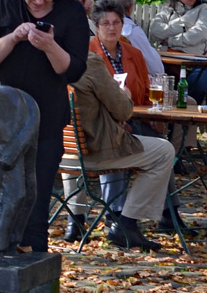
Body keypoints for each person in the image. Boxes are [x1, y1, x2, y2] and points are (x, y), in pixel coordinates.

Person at [0, 0, 89, 252]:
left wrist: (50, 46)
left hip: (44, 123)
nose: (39, 0)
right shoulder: (5, 3)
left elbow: (73, 70)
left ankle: (32, 271)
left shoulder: (70, 12)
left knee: (34, 209)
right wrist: (11, 38)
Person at [69, 32, 175, 252]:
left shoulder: (43, 63)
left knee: (80, 144)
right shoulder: (90, 62)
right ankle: (127, 222)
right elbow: (123, 110)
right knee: (164, 149)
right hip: (97, 152)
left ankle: (75, 220)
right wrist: (124, 94)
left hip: (62, 154)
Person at [148, 0, 207, 104]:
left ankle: (186, 119)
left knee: (194, 83)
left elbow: (201, 33)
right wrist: (183, 27)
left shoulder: (206, 9)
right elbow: (155, 31)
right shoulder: (167, 10)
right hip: (170, 64)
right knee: (155, 78)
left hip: (202, 64)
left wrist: (170, 40)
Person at [105, 0, 163, 77]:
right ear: (131, 8)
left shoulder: (101, 29)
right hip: (133, 83)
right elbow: (157, 69)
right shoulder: (133, 32)